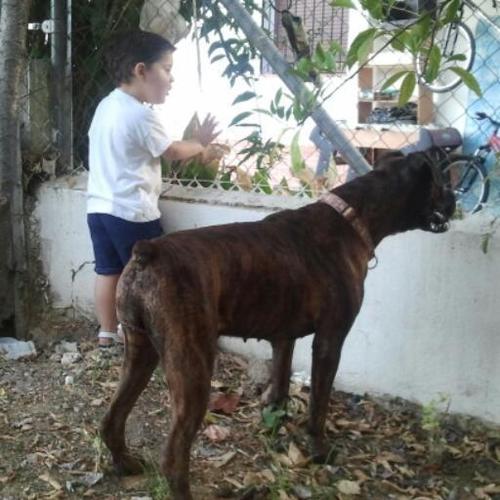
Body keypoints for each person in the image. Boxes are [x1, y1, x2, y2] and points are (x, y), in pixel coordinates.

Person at [87, 30, 219, 347]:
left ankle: (107, 333)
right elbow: (171, 151)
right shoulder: (141, 115)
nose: (172, 79)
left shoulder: (106, 106)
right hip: (132, 213)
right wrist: (200, 144)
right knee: (151, 276)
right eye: (168, 69)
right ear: (141, 70)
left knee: (109, 272)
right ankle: (146, 336)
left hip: (99, 209)